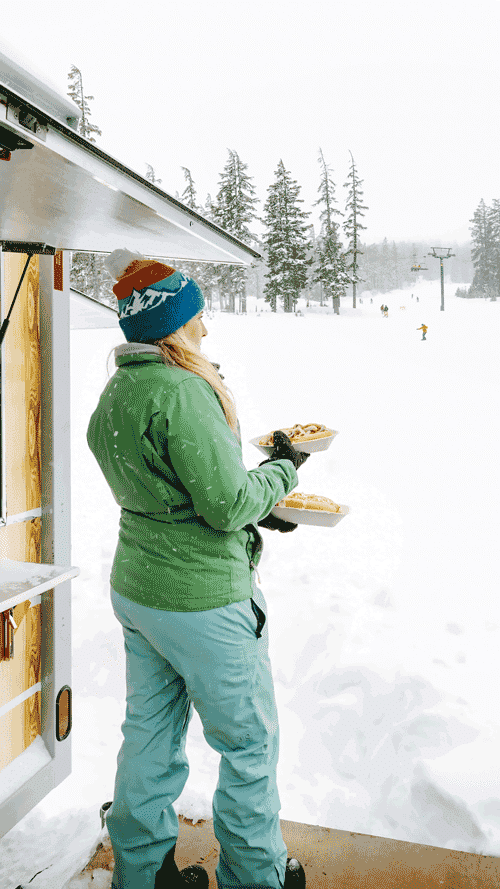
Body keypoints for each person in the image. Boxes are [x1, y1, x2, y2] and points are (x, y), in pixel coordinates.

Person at [86, 249, 309, 889]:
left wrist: (247, 505)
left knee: (149, 737)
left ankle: (142, 871)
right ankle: (255, 876)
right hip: (203, 601)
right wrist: (282, 473)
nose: (206, 328)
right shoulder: (183, 390)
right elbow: (227, 503)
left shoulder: (119, 389)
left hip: (139, 591)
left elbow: (169, 492)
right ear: (174, 324)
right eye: (199, 316)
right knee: (247, 745)